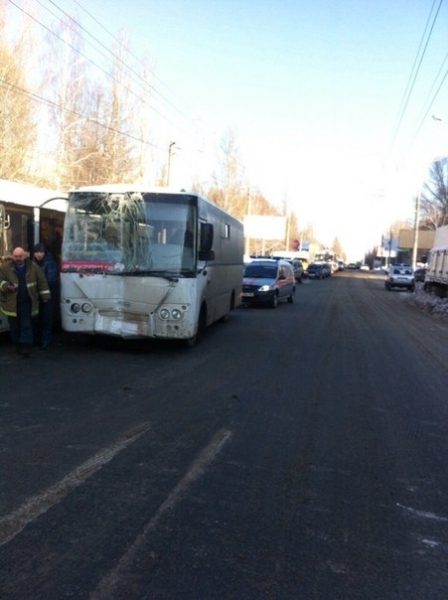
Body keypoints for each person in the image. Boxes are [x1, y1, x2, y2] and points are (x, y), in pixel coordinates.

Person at [0, 247, 51, 357]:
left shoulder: (33, 267)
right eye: (16, 256)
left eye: (20, 256)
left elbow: (42, 282)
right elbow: (0, 281)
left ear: (25, 256)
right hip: (12, 303)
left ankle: (25, 348)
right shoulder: (5, 268)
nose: (18, 258)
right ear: (12, 256)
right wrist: (6, 286)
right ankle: (18, 345)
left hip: (27, 302)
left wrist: (45, 296)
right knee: (14, 327)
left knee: (26, 326)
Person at [32, 243, 60, 349]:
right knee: (37, 318)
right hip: (38, 295)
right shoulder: (32, 263)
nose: (39, 254)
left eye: (41, 252)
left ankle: (45, 340)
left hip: (48, 295)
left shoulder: (50, 262)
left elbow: (50, 280)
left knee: (46, 318)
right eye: (37, 252)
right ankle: (39, 339)